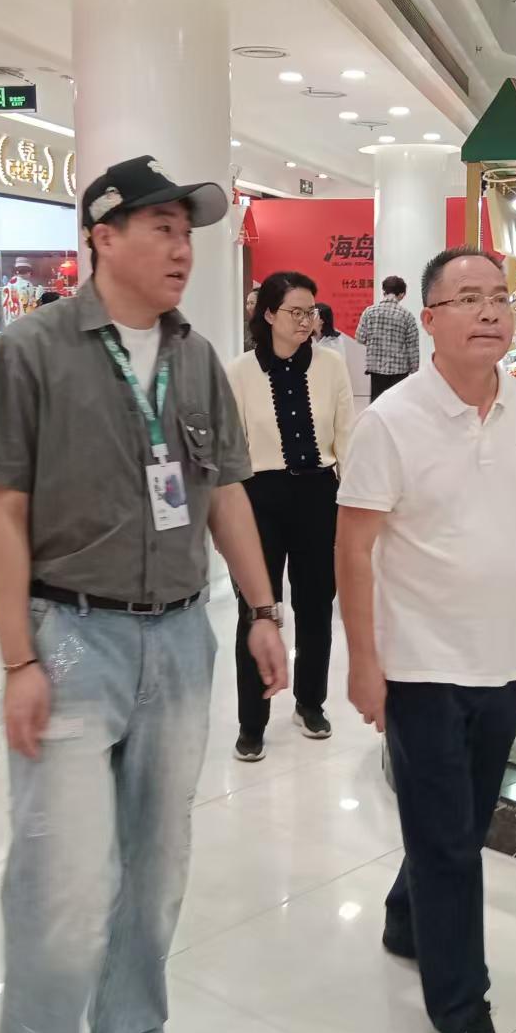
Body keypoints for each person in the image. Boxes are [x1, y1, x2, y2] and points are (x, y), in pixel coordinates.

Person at [0, 154, 290, 1033]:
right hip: (71, 635)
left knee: (156, 862)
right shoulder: (32, 350)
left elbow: (226, 490)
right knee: (60, 878)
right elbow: (3, 509)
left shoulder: (196, 357)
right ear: (103, 236)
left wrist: (263, 609)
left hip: (180, 638)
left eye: (188, 232)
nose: (183, 249)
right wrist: (18, 658)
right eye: (162, 229)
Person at [337, 249, 516, 1033]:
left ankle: (408, 914)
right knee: (448, 840)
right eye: (468, 298)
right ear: (428, 319)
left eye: (499, 297)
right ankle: (464, 1012)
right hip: (420, 662)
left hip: (503, 654)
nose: (489, 311)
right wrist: (364, 661)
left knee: (464, 822)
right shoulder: (391, 421)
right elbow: (353, 547)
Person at [225, 272, 356, 761]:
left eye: (311, 312)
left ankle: (310, 702)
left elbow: (347, 436)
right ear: (269, 314)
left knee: (317, 603)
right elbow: (232, 449)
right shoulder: (239, 372)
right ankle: (251, 721)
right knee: (256, 610)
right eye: (296, 312)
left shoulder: (331, 366)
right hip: (258, 497)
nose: (306, 321)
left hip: (318, 494)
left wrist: (354, 502)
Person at [356, 274, 420, 400]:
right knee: (396, 404)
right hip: (400, 371)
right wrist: (414, 371)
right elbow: (412, 347)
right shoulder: (407, 316)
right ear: (401, 294)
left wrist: (375, 344)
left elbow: (360, 337)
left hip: (375, 369)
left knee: (377, 404)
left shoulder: (369, 312)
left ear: (384, 292)